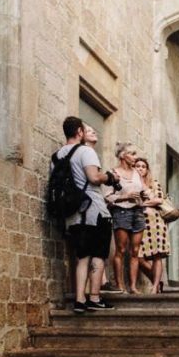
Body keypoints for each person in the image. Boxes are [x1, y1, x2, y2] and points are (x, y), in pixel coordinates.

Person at [56, 116, 115, 313]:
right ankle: (95, 298)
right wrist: (109, 177)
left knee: (82, 257)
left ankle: (80, 299)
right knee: (98, 255)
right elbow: (94, 177)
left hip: (72, 213)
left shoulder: (57, 156)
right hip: (93, 210)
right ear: (80, 132)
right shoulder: (86, 151)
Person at [106, 142, 147, 294]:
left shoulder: (136, 173)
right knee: (121, 250)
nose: (135, 157)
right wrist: (125, 196)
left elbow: (143, 190)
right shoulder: (113, 173)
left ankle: (133, 287)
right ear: (123, 156)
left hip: (138, 212)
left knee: (135, 250)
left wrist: (145, 194)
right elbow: (108, 197)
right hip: (121, 212)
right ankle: (120, 286)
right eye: (133, 154)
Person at [136, 156, 170, 293]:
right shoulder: (132, 183)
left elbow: (159, 200)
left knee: (157, 255)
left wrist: (143, 203)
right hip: (139, 222)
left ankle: (155, 286)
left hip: (156, 222)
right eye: (137, 166)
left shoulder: (153, 183)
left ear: (147, 169)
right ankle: (157, 281)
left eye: (143, 166)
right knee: (138, 257)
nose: (140, 168)